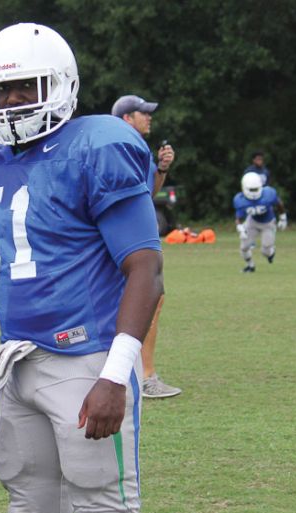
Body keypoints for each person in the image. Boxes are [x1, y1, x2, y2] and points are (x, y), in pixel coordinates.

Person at [0, 23, 162, 513]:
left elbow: (146, 269)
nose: (12, 102)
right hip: (19, 367)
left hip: (87, 361)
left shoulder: (97, 144)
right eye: (2, 91)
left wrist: (114, 374)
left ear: (59, 85)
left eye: (25, 87)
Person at [112, 94, 181, 399]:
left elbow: (148, 192)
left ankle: (133, 371)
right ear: (128, 118)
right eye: (143, 113)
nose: (149, 117)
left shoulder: (134, 145)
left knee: (148, 299)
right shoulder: (122, 145)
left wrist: (162, 169)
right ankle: (145, 375)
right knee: (149, 298)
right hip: (127, 236)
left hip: (131, 234)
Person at [234, 172, 286, 273]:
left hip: (268, 223)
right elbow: (239, 217)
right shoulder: (240, 200)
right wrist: (240, 228)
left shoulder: (268, 194)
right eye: (251, 189)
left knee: (265, 252)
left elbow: (279, 204)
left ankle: (271, 252)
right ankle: (250, 266)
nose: (253, 192)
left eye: (255, 189)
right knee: (244, 247)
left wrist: (283, 217)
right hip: (252, 221)